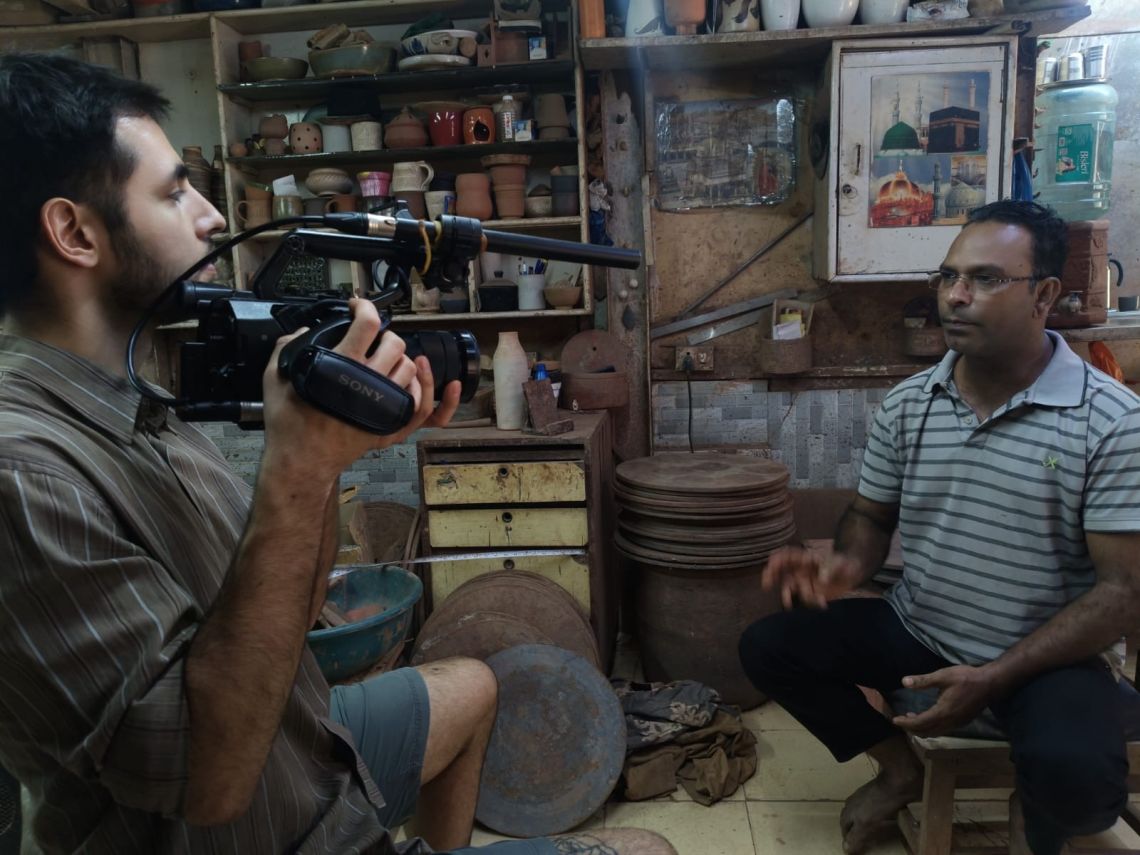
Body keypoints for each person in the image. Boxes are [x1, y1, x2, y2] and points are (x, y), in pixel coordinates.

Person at [0, 53, 674, 855]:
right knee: (650, 851)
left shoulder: (137, 402)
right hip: (248, 824)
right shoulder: (25, 472)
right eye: (175, 193)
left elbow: (284, 611)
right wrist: (299, 470)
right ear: (74, 232)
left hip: (296, 752)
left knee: (471, 682)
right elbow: (209, 779)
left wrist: (335, 453)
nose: (211, 216)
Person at [740, 200, 1140, 855]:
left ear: (1043, 295)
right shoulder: (910, 403)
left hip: (1046, 658)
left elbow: (1123, 592)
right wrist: (844, 566)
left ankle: (1040, 810)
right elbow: (871, 516)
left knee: (1077, 777)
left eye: (986, 279)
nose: (954, 296)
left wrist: (995, 675)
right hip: (922, 631)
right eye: (948, 276)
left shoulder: (1112, 422)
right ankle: (899, 769)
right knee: (770, 646)